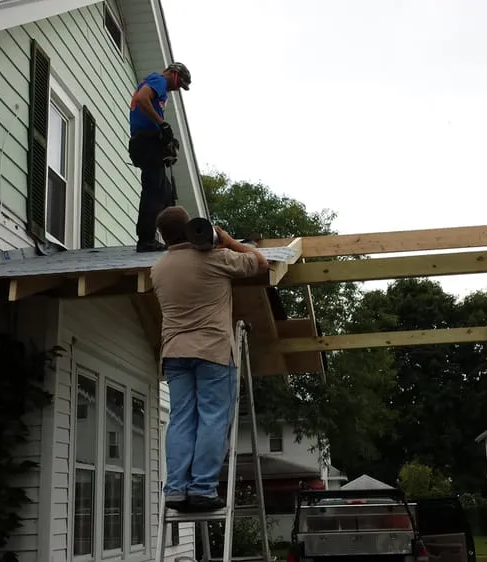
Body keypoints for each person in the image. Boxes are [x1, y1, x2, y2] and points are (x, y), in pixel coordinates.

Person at [150, 206, 270, 512]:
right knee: (212, 418)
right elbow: (260, 263)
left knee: (180, 419)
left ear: (163, 237)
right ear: (191, 228)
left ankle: (176, 489)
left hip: (174, 353)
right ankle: (202, 489)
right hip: (212, 351)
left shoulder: (158, 269)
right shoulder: (216, 259)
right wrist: (227, 240)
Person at [129, 62, 192, 253]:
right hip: (146, 142)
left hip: (146, 142)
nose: (177, 89)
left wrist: (165, 141)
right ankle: (146, 240)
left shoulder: (158, 86)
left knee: (165, 191)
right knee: (154, 190)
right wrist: (162, 124)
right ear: (174, 73)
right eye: (179, 83)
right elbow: (141, 98)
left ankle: (170, 237)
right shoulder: (158, 80)